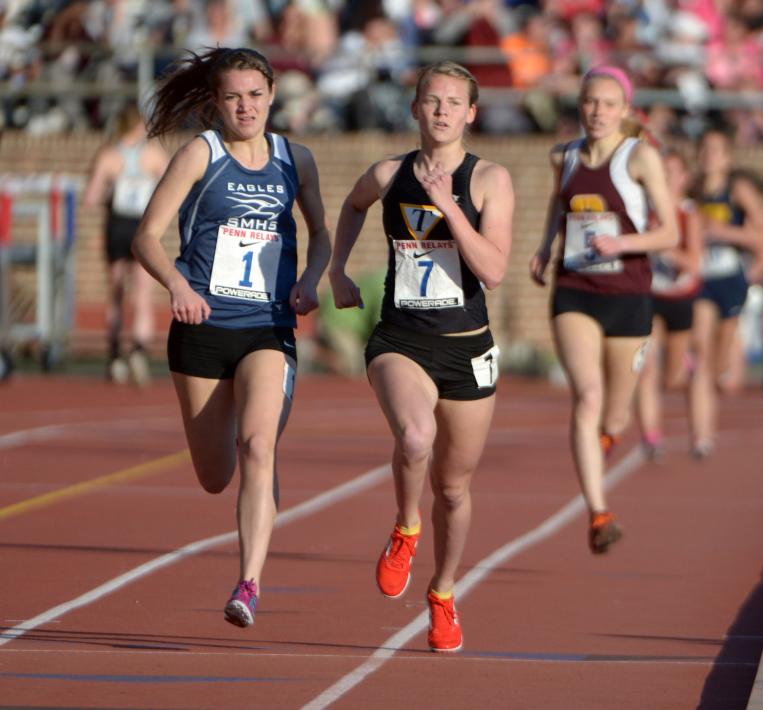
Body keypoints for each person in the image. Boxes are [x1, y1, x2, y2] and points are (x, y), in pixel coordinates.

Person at [131, 47, 332, 628]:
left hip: (267, 327)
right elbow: (147, 236)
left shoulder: (297, 158)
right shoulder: (202, 154)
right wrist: (176, 284)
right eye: (232, 97)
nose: (245, 107)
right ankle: (254, 489)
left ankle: (248, 584)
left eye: (255, 95)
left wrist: (310, 279)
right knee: (216, 476)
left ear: (272, 95)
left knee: (258, 447)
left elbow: (320, 232)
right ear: (216, 103)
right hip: (201, 327)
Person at [329, 61, 514, 654]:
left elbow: (494, 270)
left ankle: (443, 590)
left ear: (471, 114)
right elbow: (353, 207)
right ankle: (406, 527)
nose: (441, 111)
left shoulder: (491, 180)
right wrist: (336, 269)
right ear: (414, 109)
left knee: (455, 491)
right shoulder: (388, 174)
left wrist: (449, 206)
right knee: (414, 437)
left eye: (453, 102)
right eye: (431, 101)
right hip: (401, 340)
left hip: (467, 348)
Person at [529, 65, 678, 554]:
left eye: (609, 104)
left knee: (615, 417)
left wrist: (623, 242)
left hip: (629, 297)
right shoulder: (564, 156)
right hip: (575, 291)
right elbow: (559, 204)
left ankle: (605, 441)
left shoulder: (640, 158)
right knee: (587, 397)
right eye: (591, 102)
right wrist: (546, 246)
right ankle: (599, 512)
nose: (598, 111)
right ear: (580, 105)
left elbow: (671, 234)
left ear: (625, 111)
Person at [689, 129, 763, 458]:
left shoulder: (736, 191)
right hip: (700, 281)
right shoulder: (692, 193)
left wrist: (724, 232)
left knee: (718, 364)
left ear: (727, 158)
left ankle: (724, 364)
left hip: (730, 279)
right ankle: (701, 435)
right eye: (704, 149)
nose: (709, 155)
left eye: (716, 150)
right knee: (700, 352)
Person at [82, 102, 169, 385]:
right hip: (142, 228)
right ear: (137, 125)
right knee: (143, 293)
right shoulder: (154, 154)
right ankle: (139, 351)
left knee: (117, 292)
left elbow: (91, 197)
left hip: (117, 226)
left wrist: (112, 187)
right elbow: (173, 187)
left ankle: (116, 355)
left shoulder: (108, 156)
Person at [636, 149, 704, 461]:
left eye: (673, 171)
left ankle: (683, 364)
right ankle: (652, 437)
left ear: (685, 178)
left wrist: (663, 246)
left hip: (680, 296)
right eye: (662, 170)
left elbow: (693, 263)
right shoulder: (643, 209)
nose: (666, 177)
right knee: (646, 366)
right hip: (650, 294)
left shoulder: (689, 214)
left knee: (672, 376)